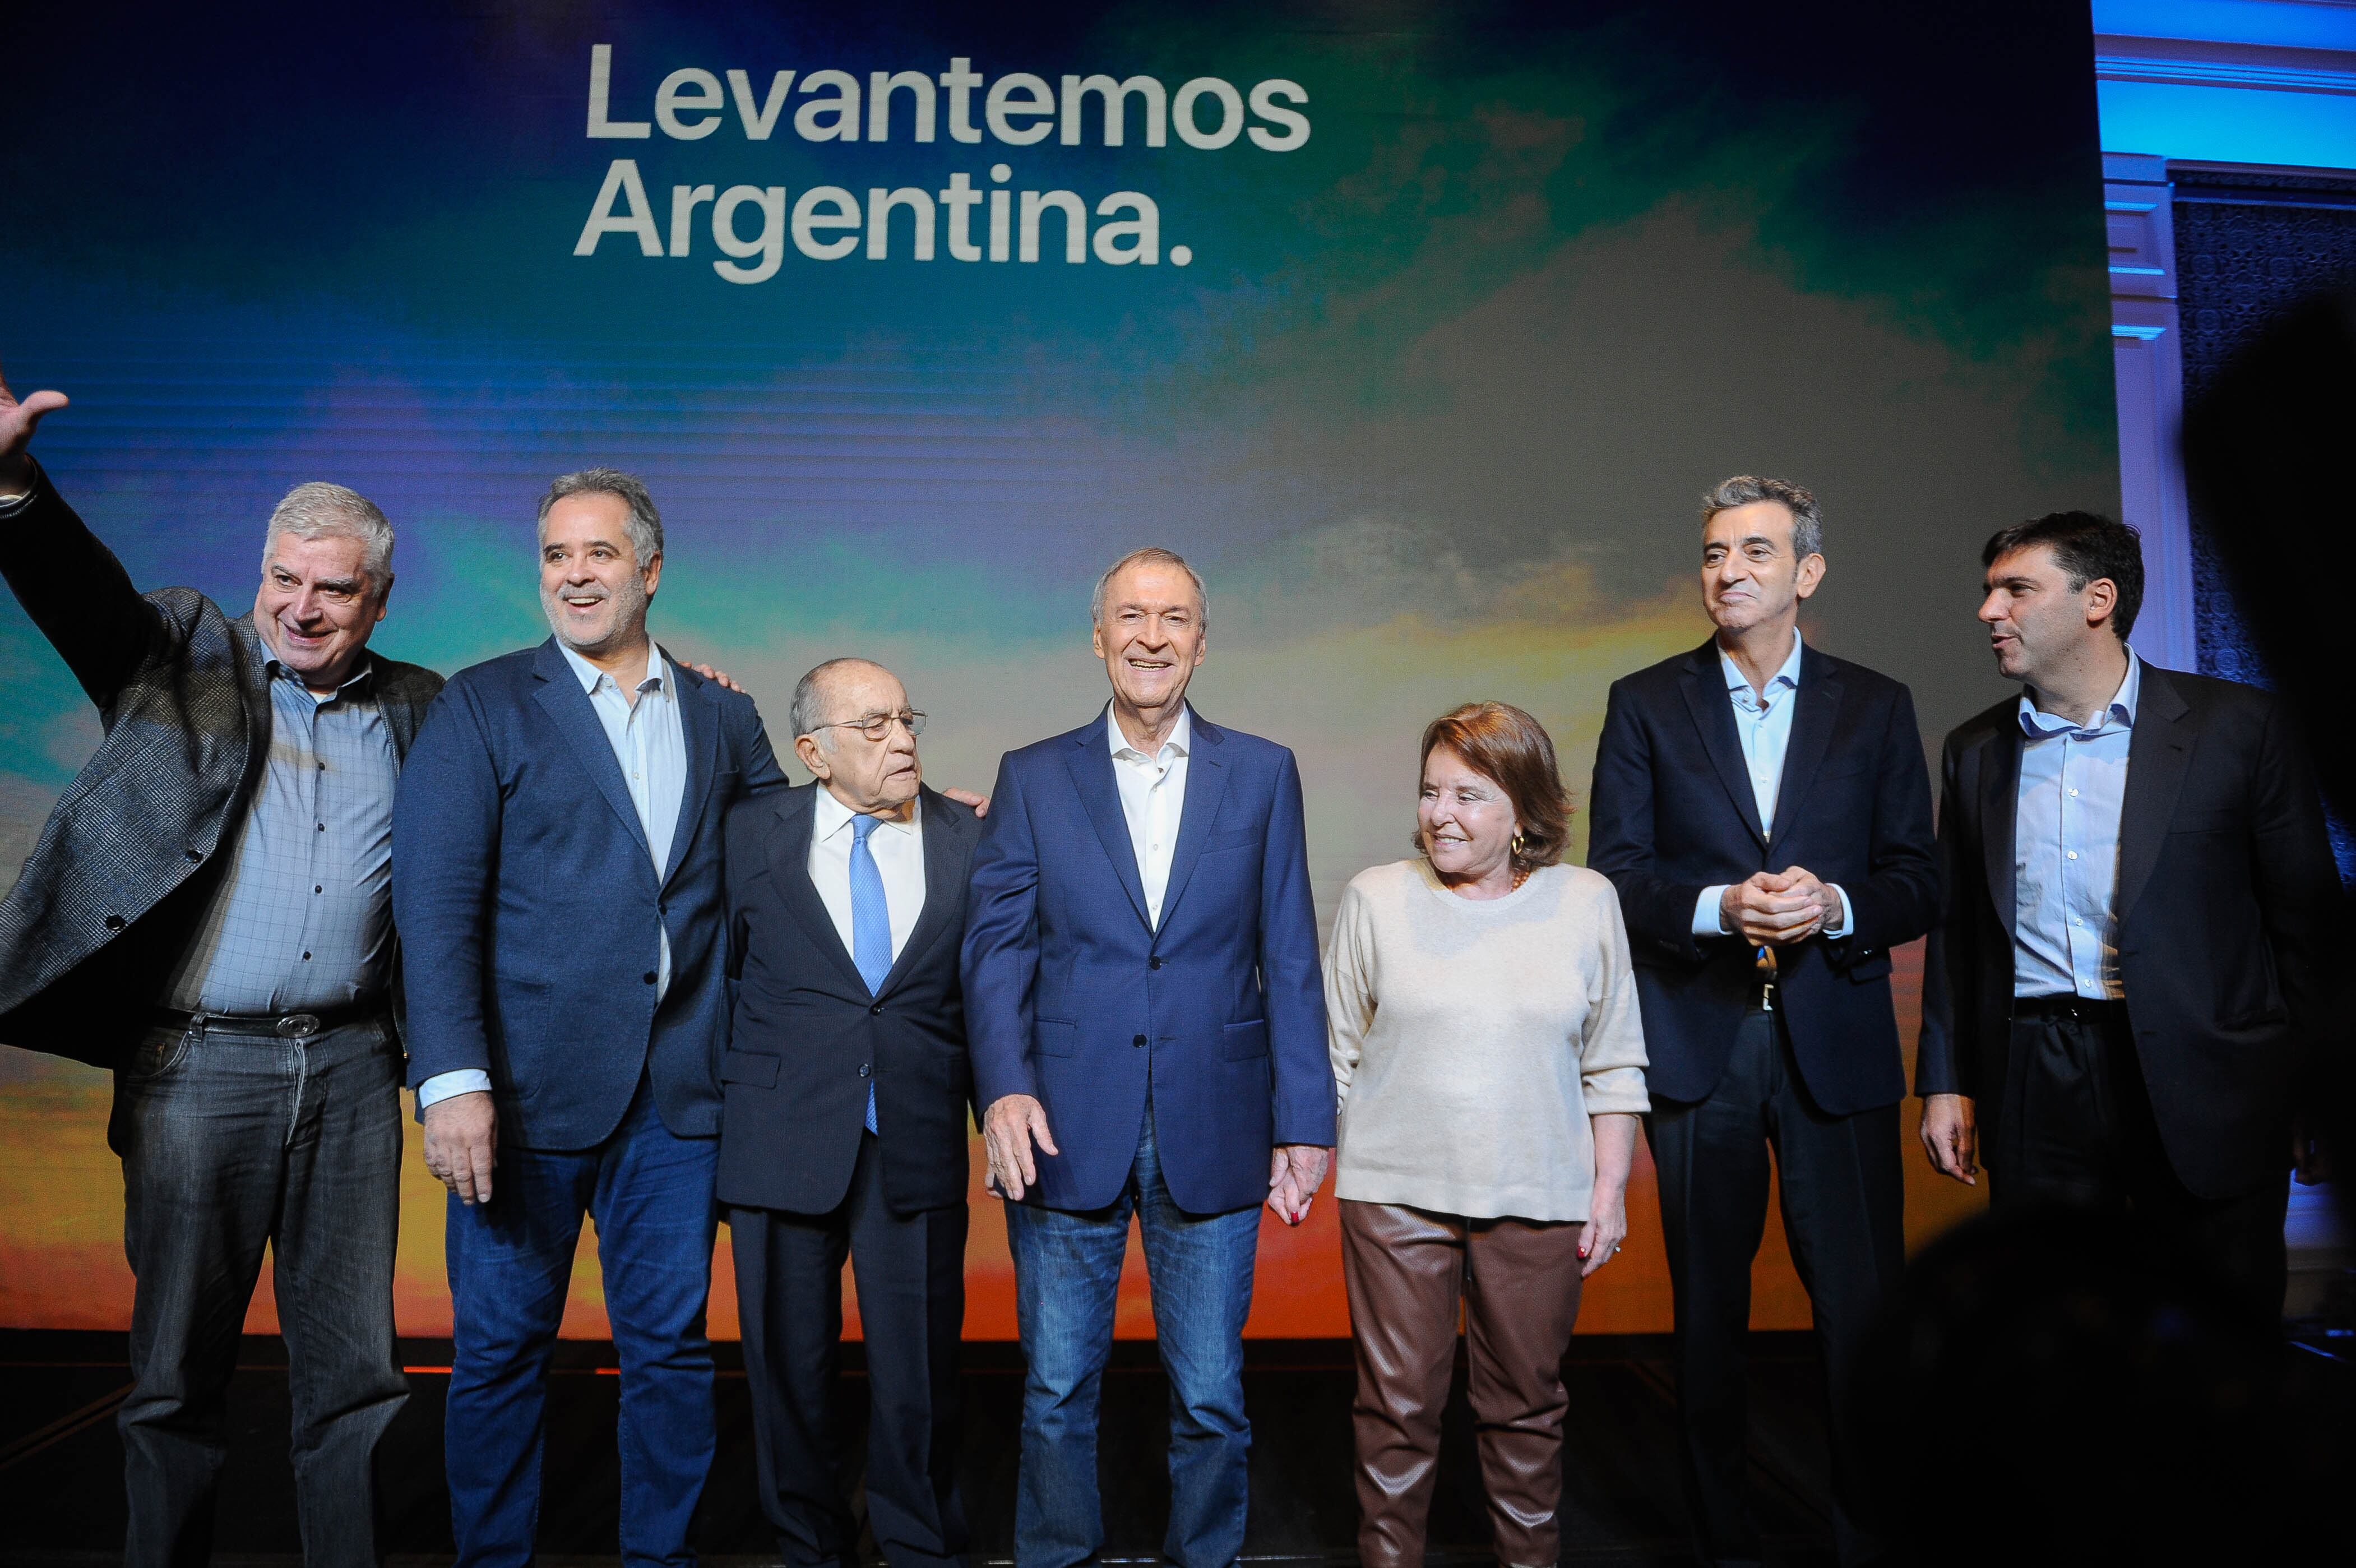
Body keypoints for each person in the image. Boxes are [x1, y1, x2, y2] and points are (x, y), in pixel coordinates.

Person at [0, 364, 438, 1567]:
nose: (300, 606)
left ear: (380, 600)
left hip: (353, 1069)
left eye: (332, 588)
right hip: (197, 1073)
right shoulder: (183, 660)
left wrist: (673, 690)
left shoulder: (421, 710)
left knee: (355, 1377)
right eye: (282, 578)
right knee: (173, 1376)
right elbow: (78, 597)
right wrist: (13, 485)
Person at [390, 468, 790, 1567]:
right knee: (501, 1355)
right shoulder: (480, 703)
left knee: (667, 1356)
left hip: (678, 1104)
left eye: (598, 553)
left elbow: (785, 875)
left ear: (649, 571)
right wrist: (453, 1080)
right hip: (518, 1104)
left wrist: (929, 821)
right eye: (557, 556)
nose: (574, 574)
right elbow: (432, 903)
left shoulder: (723, 714)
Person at [1586, 475, 1937, 1568]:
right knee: (1706, 1328)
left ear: (1806, 573)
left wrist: (1832, 905)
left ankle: (1865, 1540)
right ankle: (1718, 1543)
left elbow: (1915, 879)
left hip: (1833, 1044)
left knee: (1859, 1322)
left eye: (1752, 551)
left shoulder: (1874, 705)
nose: (1726, 570)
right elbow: (1616, 876)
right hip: (1702, 1046)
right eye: (1710, 553)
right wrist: (1718, 907)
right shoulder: (1644, 701)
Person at [961, 546, 1335, 1568]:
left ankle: (1205, 1557)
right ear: (1098, 636)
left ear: (1202, 644)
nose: (1152, 637)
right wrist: (1001, 1088)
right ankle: (1057, 1557)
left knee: (1212, 1393)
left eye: (1174, 619)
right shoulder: (1033, 776)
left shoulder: (1262, 772)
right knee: (1053, 1389)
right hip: (1063, 1124)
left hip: (1215, 1119)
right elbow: (995, 951)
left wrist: (1305, 1120)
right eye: (1131, 616)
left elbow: (1289, 952)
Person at [1915, 511, 2339, 1321]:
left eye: (2016, 590)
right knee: (2050, 1322)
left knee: (2224, 1318)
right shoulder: (1975, 750)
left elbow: (2307, 926)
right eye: (1988, 591)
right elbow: (1958, 931)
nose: (1988, 612)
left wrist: (2318, 1087)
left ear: (2097, 599)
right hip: (2037, 1070)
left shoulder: (2241, 729)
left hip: (2209, 1073)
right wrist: (1944, 1081)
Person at [1324, 701, 1647, 1568]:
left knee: (1527, 1410)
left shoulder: (1586, 902)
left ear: (1523, 810)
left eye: (1468, 795)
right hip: (1393, 1197)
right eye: (1432, 792)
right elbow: (1336, 1058)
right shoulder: (1376, 897)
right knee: (1395, 1412)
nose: (1441, 813)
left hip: (1539, 1193)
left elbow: (1614, 1065)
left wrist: (1608, 1189)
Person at [719, 658, 980, 1568]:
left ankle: (918, 1547)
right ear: (812, 752)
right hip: (778, 1140)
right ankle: (810, 1548)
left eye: (907, 718)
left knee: (919, 1381)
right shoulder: (748, 834)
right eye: (872, 726)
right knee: (788, 1378)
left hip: (914, 1139)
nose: (903, 739)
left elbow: (993, 992)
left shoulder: (970, 837)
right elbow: (718, 981)